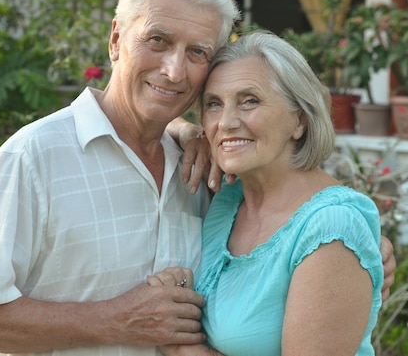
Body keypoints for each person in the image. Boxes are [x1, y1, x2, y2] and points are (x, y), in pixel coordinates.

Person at [0, 0, 395, 356]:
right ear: (116, 40)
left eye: (197, 52)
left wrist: (356, 249)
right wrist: (113, 319)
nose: (175, 70)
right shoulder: (34, 158)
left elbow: (296, 227)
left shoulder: (207, 174)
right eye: (158, 40)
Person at [150, 31, 383, 356]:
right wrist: (186, 132)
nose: (226, 122)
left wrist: (179, 346)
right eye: (213, 105)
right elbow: (139, 114)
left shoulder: (332, 230)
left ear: (299, 120)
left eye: (250, 101)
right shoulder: (230, 198)